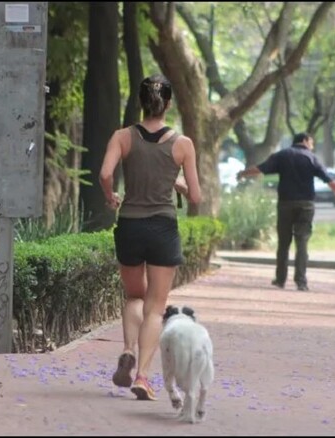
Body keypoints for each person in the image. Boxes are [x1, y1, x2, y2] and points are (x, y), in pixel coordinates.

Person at [98, 74, 202, 401]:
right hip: (162, 227)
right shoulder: (182, 144)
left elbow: (104, 174)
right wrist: (179, 185)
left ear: (141, 102)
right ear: (167, 103)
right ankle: (142, 375)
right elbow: (197, 197)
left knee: (134, 297)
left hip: (129, 224)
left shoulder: (122, 136)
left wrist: (110, 195)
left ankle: (128, 349)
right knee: (156, 309)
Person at [236, 133, 335, 291]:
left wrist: (243, 173)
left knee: (284, 243)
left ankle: (280, 279)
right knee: (302, 243)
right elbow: (327, 179)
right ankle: (301, 281)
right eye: (312, 142)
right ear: (305, 141)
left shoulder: (282, 155)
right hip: (306, 205)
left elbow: (260, 168)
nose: (312, 146)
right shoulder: (312, 158)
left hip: (286, 203)